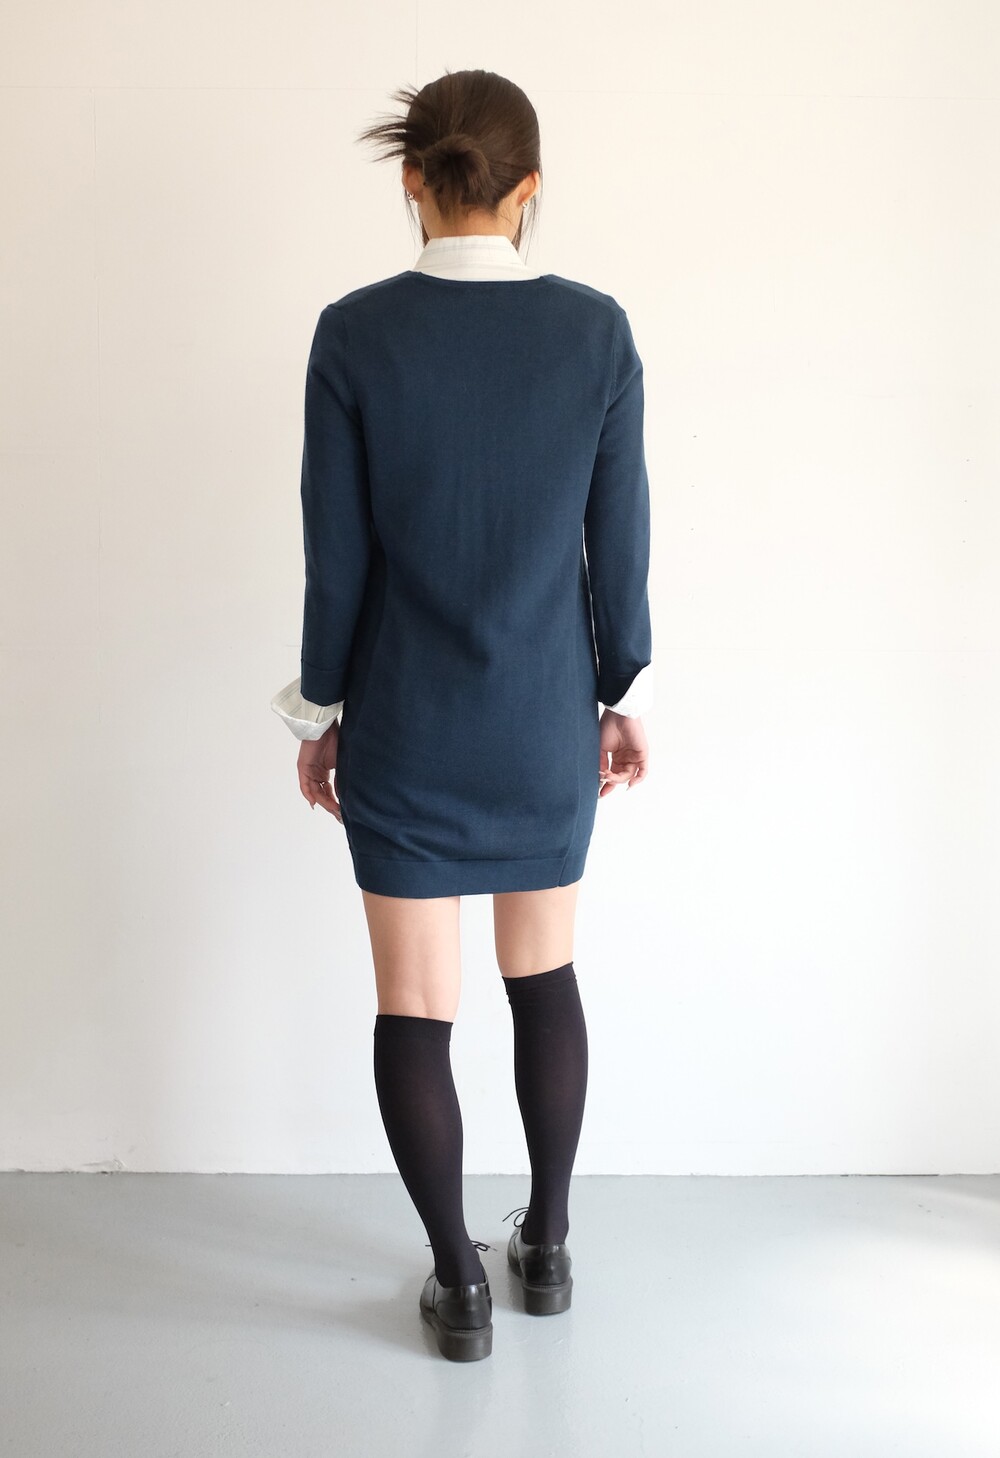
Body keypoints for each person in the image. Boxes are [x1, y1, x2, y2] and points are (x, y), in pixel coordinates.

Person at [269, 68, 652, 1362]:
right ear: (529, 189)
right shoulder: (596, 334)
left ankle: (458, 1282)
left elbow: (336, 564)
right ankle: (547, 1246)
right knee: (544, 984)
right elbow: (619, 548)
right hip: (542, 726)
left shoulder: (355, 335)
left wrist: (319, 714)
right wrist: (621, 693)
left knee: (415, 1007)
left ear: (412, 182)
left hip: (410, 726)